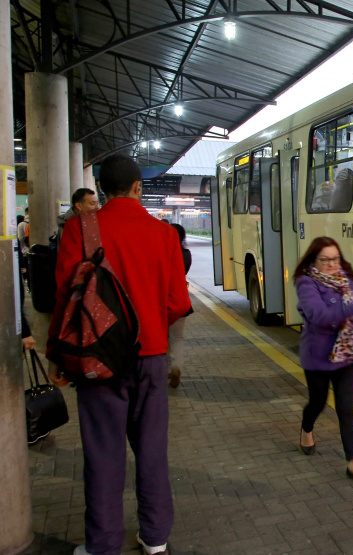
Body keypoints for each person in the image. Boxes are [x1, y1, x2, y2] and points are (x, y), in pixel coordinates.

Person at [48, 154, 191, 555]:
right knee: (151, 449)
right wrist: (147, 321)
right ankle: (155, 537)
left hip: (98, 360)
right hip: (150, 358)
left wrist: (57, 356)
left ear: (101, 188)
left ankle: (103, 543)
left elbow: (66, 299)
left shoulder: (80, 229)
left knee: (103, 452)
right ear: (136, 187)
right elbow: (178, 302)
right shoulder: (163, 233)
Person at [294, 237, 353, 478]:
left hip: (347, 355)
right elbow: (318, 315)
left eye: (335, 258)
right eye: (325, 259)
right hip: (318, 356)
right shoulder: (306, 282)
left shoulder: (349, 279)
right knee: (317, 403)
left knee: (345, 408)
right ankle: (307, 428)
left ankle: (352, 461)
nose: (331, 264)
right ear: (314, 260)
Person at [166, 223, 193, 388]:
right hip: (181, 299)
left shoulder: (162, 253)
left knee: (164, 338)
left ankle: (166, 368)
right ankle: (177, 366)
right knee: (178, 338)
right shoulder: (186, 254)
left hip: (163, 301)